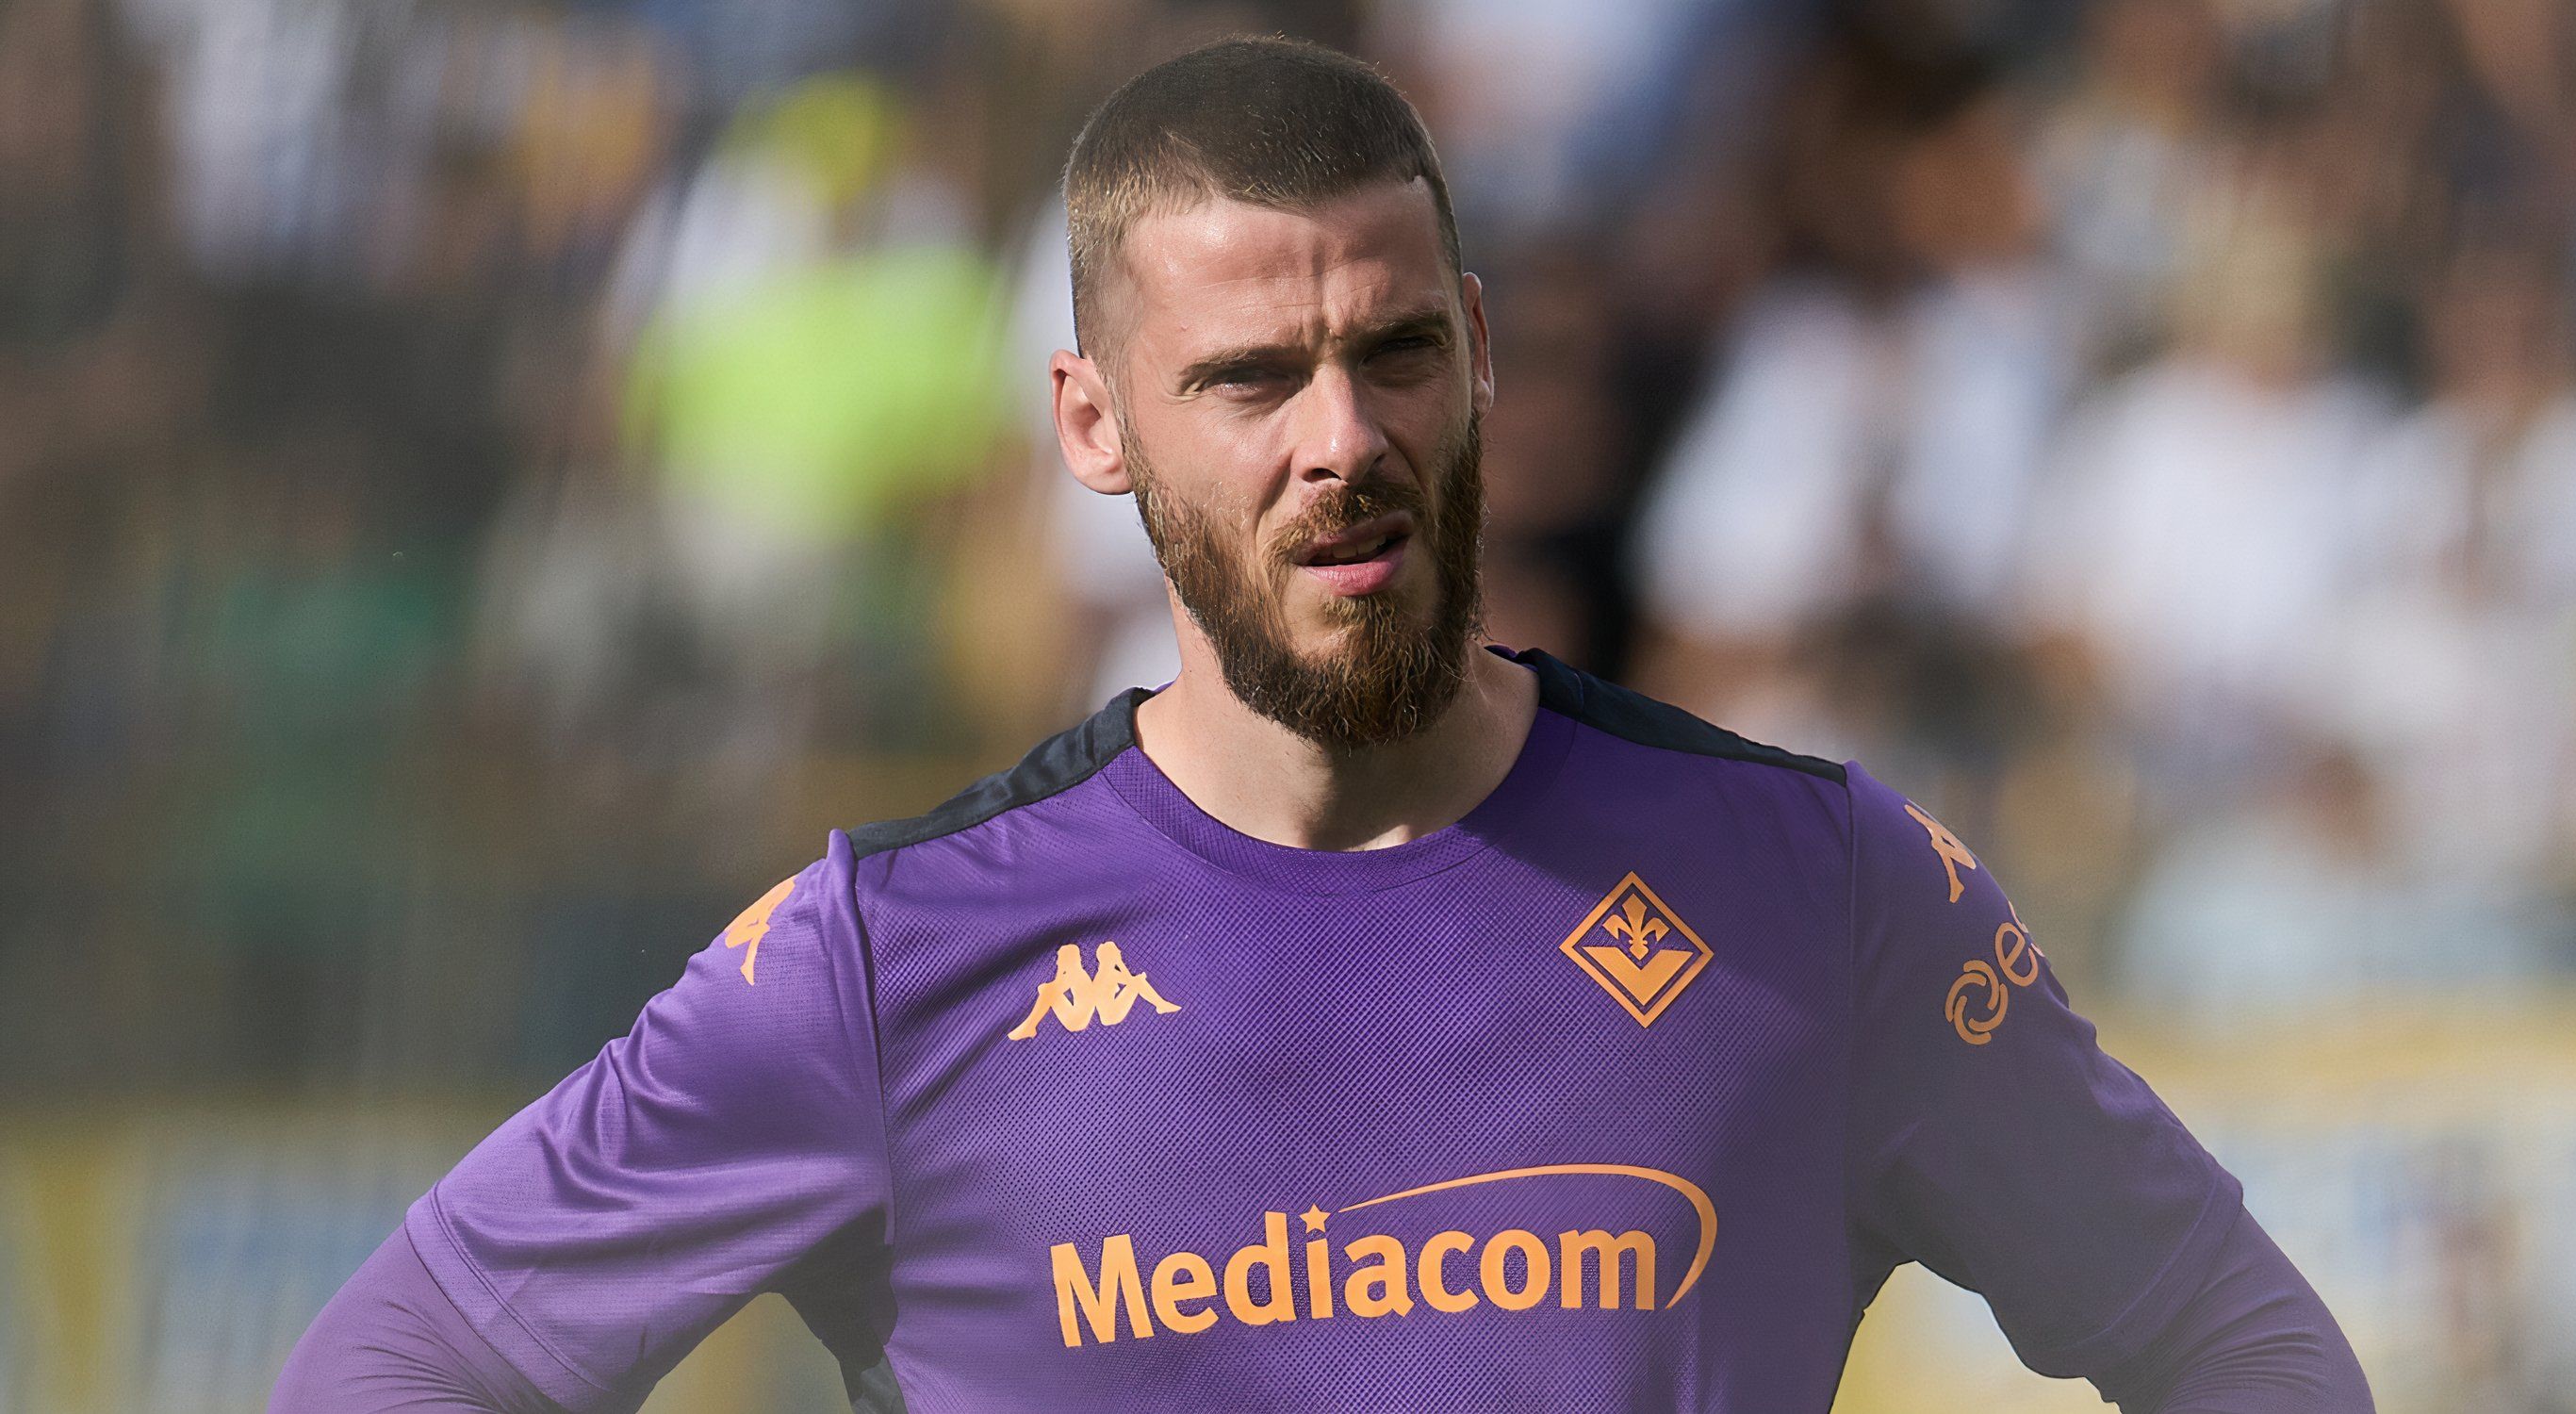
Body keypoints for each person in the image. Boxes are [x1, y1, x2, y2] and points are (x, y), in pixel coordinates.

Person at [272, 36, 2371, 1413]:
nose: (1341, 441)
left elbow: (2236, 1343)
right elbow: (416, 1360)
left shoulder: (1810, 889)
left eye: (1390, 353)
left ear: (1478, 350)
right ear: (1093, 425)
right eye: (1251, 381)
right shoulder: (885, 967)